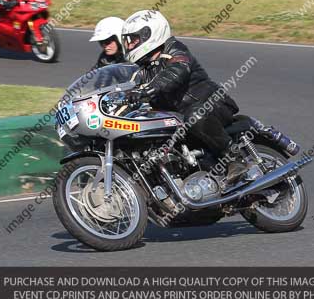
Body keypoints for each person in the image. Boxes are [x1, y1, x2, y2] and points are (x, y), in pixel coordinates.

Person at [121, 10, 299, 184]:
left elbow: (177, 70)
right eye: (127, 41)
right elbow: (129, 89)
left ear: (150, 34)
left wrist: (148, 90)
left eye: (133, 40)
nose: (129, 45)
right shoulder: (143, 71)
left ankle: (233, 159)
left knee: (194, 116)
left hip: (212, 104)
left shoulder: (174, 50)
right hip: (181, 120)